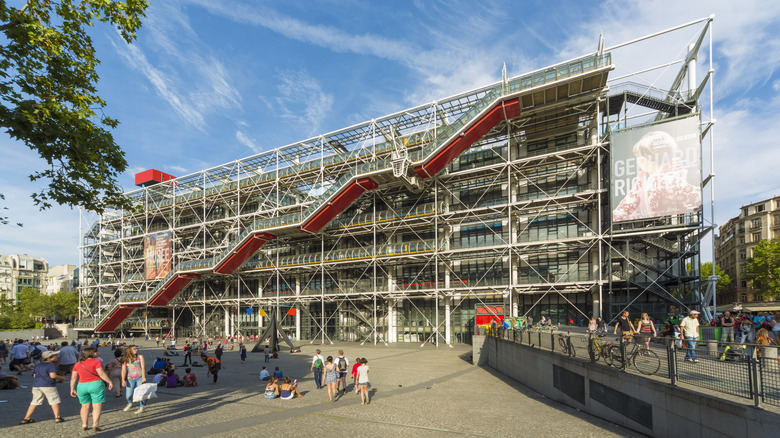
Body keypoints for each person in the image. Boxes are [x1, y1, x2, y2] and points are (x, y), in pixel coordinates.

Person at [612, 129, 701, 222]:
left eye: (640, 156)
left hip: (665, 222)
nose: (638, 161)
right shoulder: (643, 179)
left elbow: (694, 196)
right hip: (650, 223)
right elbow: (627, 204)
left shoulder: (668, 179)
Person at [70, 347, 113, 431]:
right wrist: (109, 382)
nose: (98, 353)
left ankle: (84, 424)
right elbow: (101, 373)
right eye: (96, 352)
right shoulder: (97, 361)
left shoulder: (77, 364)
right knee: (97, 405)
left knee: (84, 406)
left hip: (82, 385)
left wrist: (72, 388)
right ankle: (95, 424)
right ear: (92, 353)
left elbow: (73, 378)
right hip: (96, 384)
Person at [20, 351, 66, 424]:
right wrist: (62, 378)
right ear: (49, 358)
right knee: (54, 401)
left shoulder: (38, 365)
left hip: (37, 385)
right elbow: (53, 376)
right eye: (55, 356)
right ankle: (57, 417)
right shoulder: (51, 365)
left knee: (35, 401)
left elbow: (34, 376)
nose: (57, 357)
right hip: (48, 385)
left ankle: (26, 418)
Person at [120, 345, 148, 414]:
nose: (136, 350)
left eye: (136, 349)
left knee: (141, 393)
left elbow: (143, 367)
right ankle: (130, 403)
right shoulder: (125, 359)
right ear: (130, 351)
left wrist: (144, 377)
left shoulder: (140, 357)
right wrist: (123, 380)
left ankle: (142, 407)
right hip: (130, 378)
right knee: (128, 395)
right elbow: (123, 370)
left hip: (139, 377)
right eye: (134, 349)